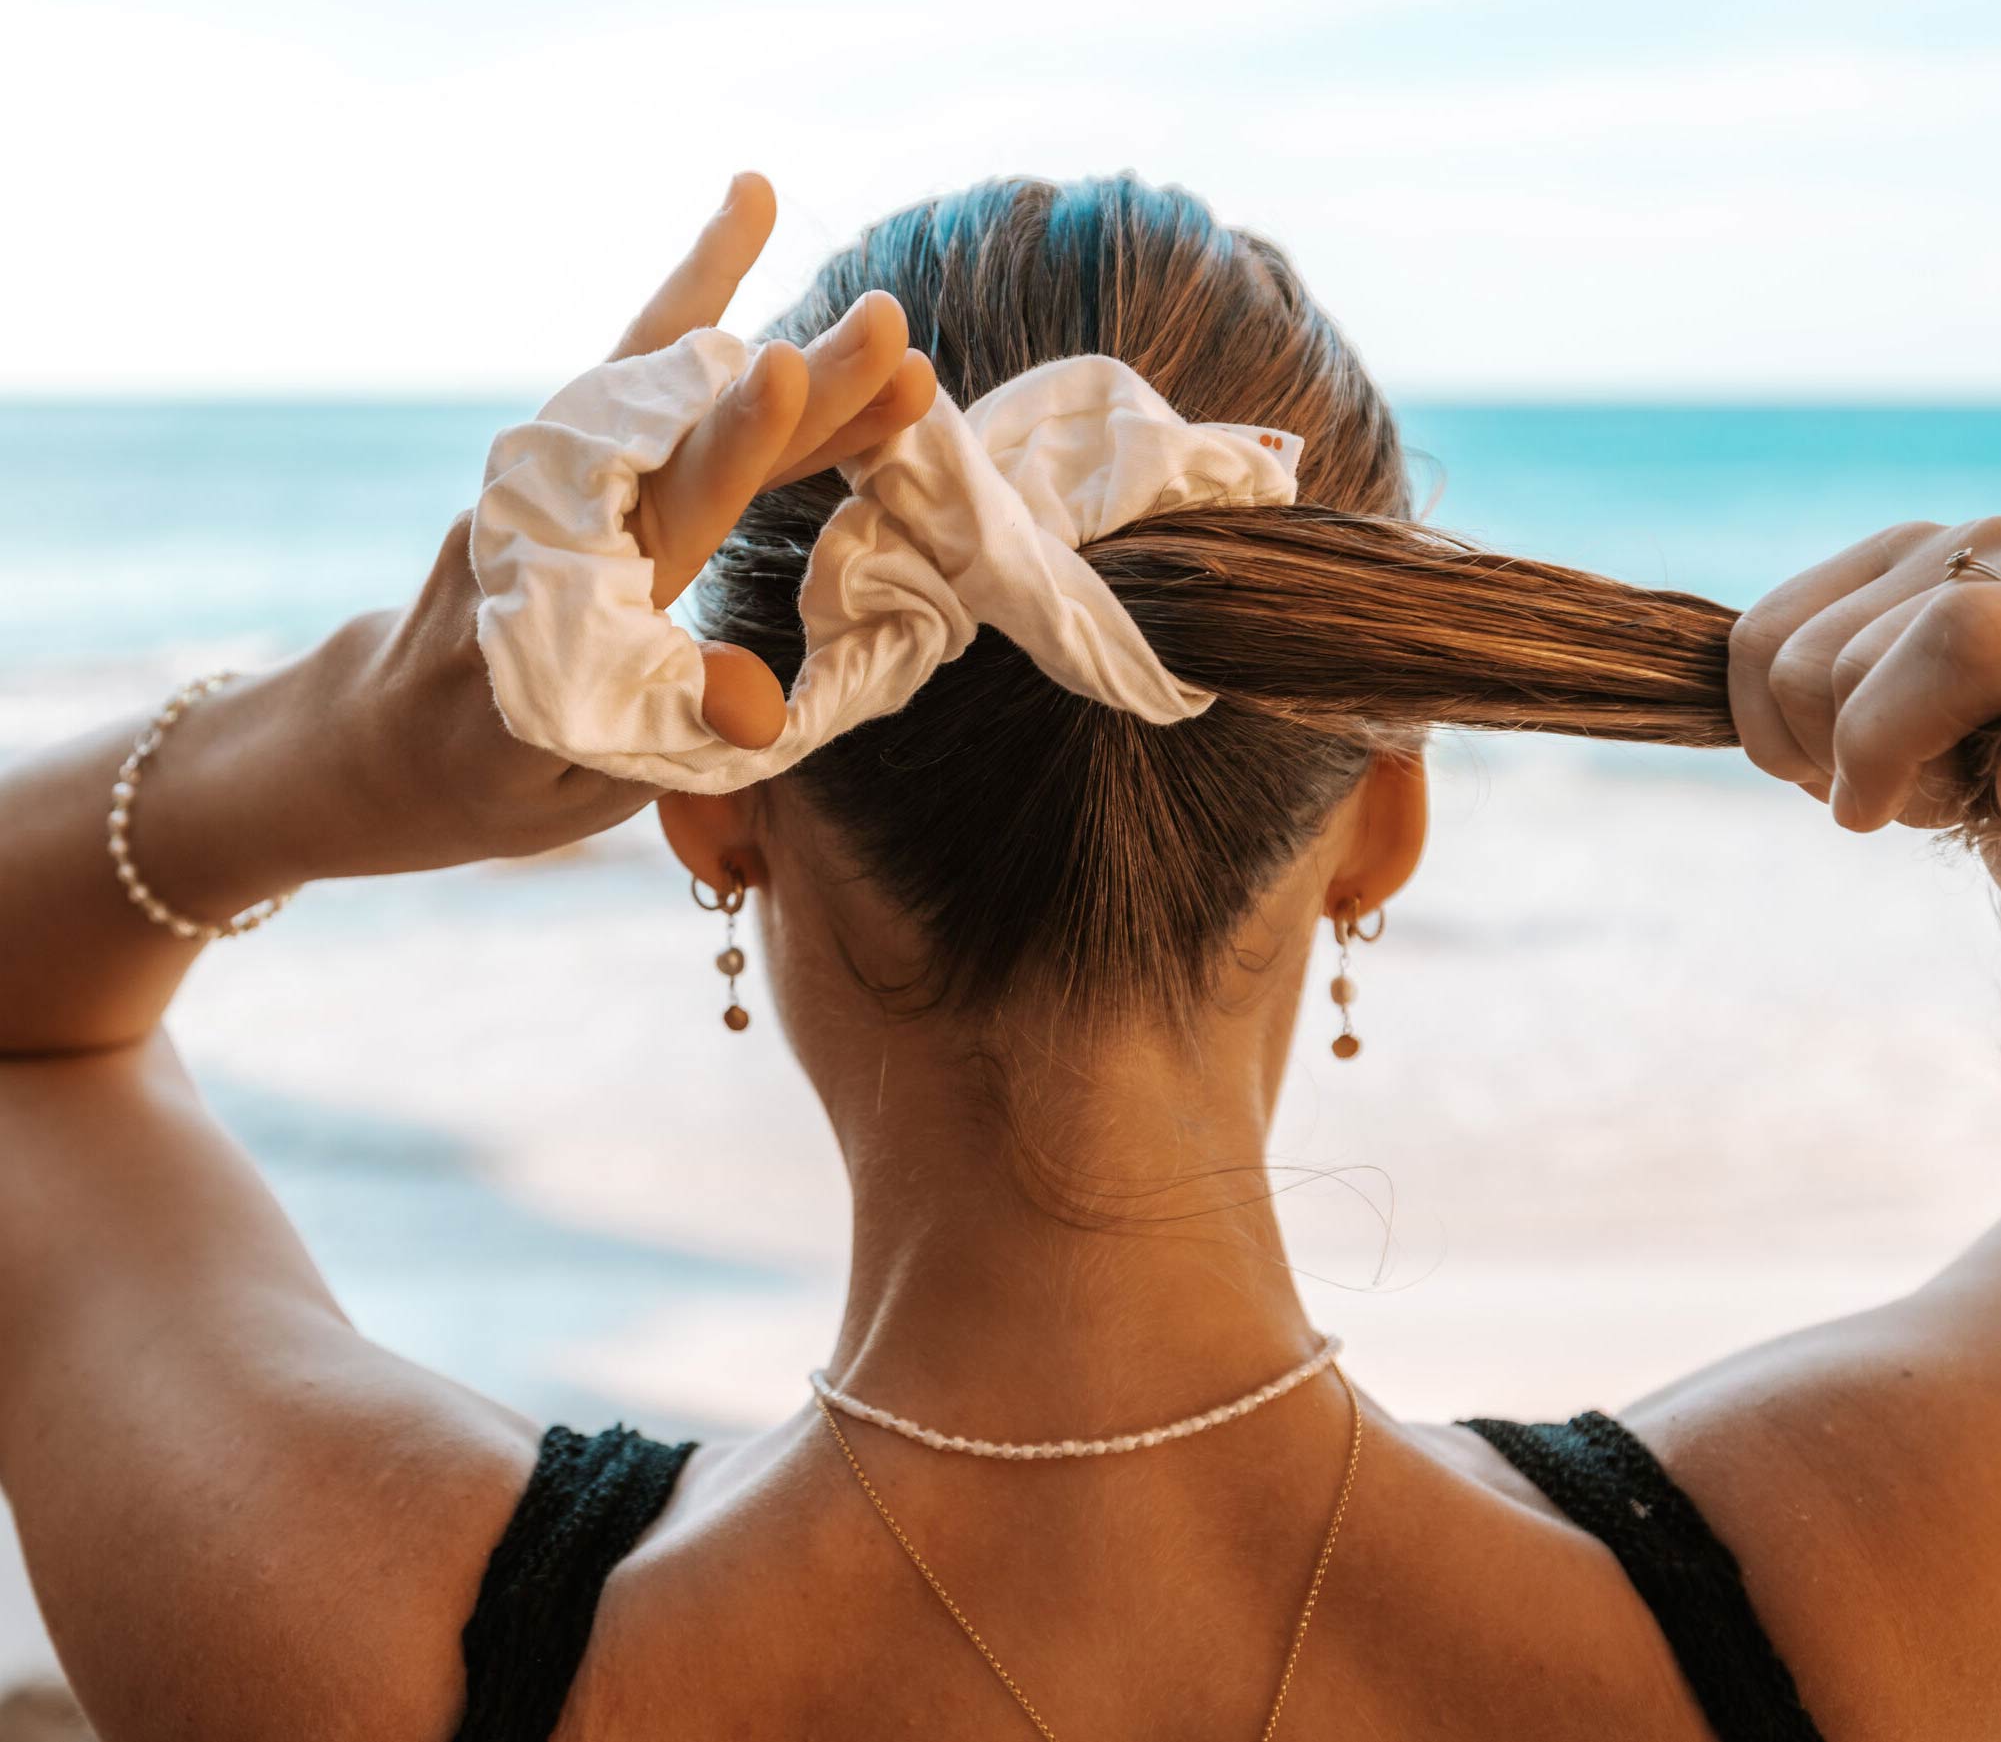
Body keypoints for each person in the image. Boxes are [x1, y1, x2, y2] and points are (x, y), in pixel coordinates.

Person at [0, 170, 1996, 1742]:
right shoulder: (1859, 1595)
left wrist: (336, 747)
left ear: (707, 803)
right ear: (1378, 823)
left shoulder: (370, 1645)